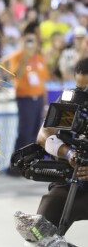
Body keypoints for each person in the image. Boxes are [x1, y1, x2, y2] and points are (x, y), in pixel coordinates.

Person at [36, 57, 88, 232]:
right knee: (40, 231)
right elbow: (43, 136)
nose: (83, 95)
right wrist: (68, 154)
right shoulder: (71, 100)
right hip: (72, 179)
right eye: (80, 88)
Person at [2, 22, 49, 156]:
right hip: (25, 98)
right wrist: (24, 59)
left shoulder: (39, 58)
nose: (30, 44)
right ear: (23, 41)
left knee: (35, 132)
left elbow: (42, 82)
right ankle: (16, 165)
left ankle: (29, 164)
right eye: (27, 40)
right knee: (24, 132)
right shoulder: (17, 56)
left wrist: (45, 104)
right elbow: (16, 75)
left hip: (38, 99)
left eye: (32, 41)